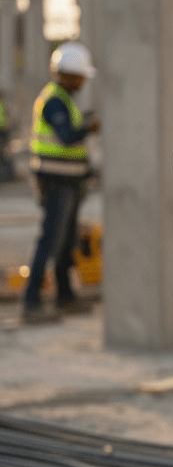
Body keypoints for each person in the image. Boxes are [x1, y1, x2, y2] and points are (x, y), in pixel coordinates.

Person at [22, 42, 100, 324]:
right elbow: (67, 137)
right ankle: (31, 301)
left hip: (68, 181)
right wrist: (90, 127)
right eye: (79, 75)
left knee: (65, 241)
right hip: (55, 182)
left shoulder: (65, 99)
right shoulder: (54, 100)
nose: (82, 81)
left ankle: (64, 296)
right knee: (50, 239)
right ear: (66, 74)